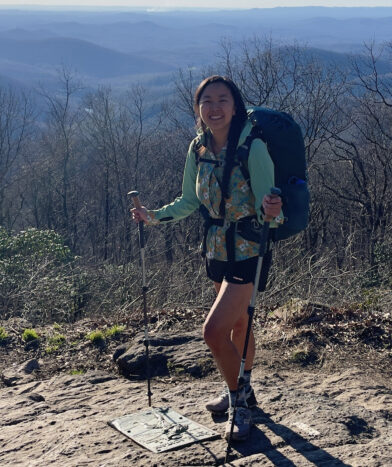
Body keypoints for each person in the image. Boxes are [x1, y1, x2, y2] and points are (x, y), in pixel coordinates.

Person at [131, 75, 282, 441]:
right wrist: (153, 217)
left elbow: (270, 214)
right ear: (198, 108)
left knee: (213, 331)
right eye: (207, 101)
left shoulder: (252, 147)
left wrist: (271, 208)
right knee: (237, 328)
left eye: (222, 100)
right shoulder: (197, 148)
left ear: (235, 106)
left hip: (247, 250)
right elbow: (189, 201)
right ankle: (242, 389)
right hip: (215, 249)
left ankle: (239, 404)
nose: (214, 108)